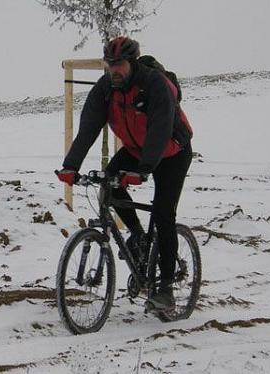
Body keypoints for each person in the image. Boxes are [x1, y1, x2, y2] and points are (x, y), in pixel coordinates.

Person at [56, 36, 193, 313]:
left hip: (171, 150)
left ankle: (165, 289)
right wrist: (71, 166)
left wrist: (143, 171)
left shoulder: (155, 84)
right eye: (109, 64)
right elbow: (88, 128)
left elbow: (160, 128)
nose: (113, 70)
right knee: (109, 183)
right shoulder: (106, 87)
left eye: (119, 64)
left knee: (163, 213)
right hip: (137, 148)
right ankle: (140, 238)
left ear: (131, 63)